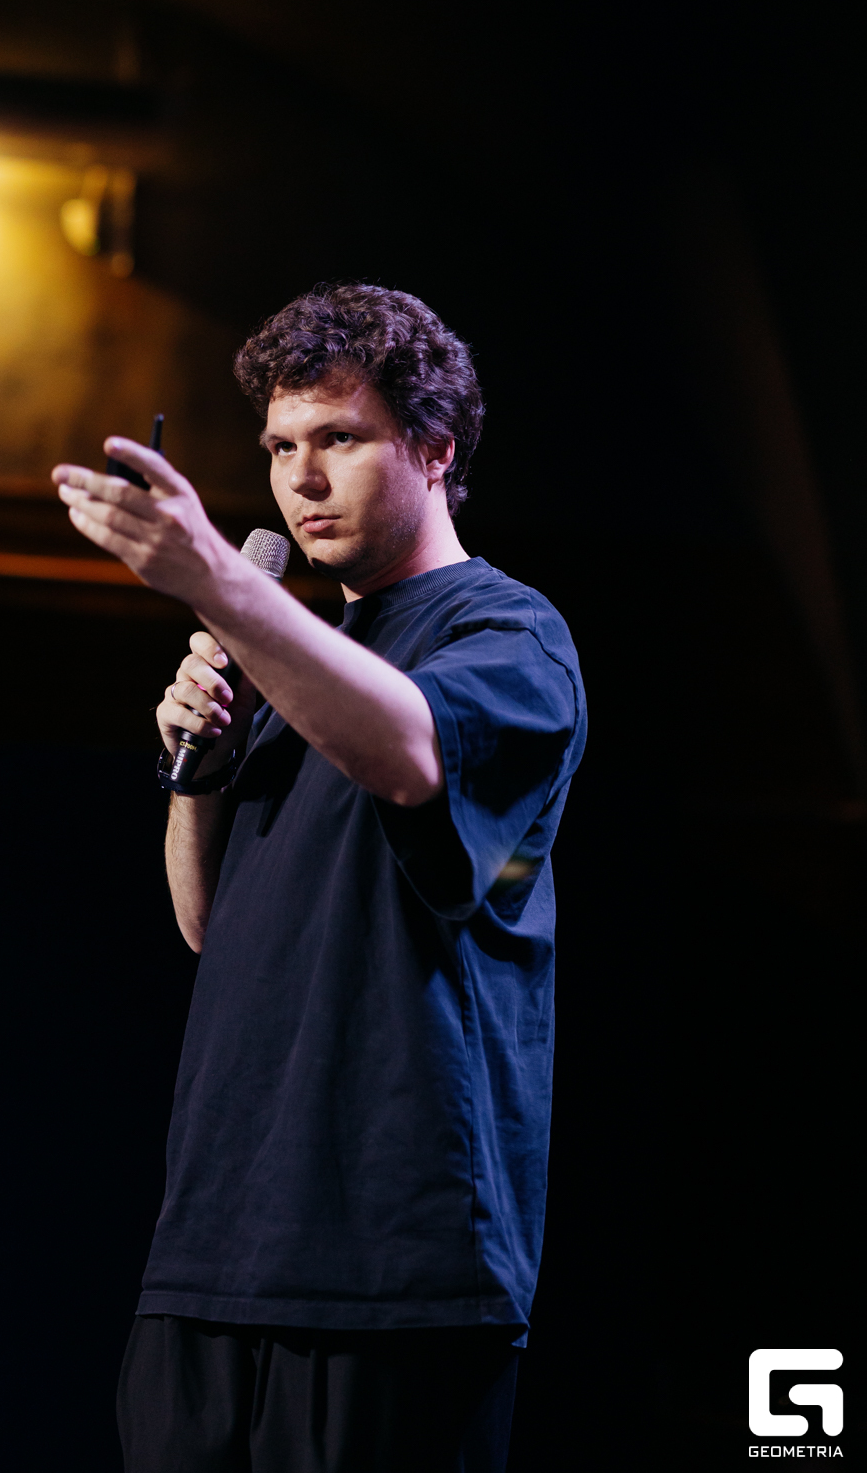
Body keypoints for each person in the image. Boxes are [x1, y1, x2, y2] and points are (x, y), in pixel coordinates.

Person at [52, 284, 586, 1473]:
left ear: (434, 450)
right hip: (212, 1250)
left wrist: (221, 587)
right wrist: (196, 768)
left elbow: (407, 755)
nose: (299, 479)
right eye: (279, 447)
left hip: (387, 1267)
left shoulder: (507, 634)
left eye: (337, 438)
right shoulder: (297, 657)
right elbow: (206, 923)